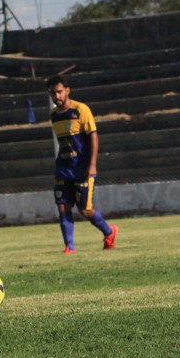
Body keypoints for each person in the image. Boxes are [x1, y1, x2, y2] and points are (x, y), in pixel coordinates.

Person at [46, 75, 118, 253]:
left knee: (85, 210)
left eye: (59, 92)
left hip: (82, 168)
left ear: (67, 90)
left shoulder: (80, 110)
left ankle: (109, 232)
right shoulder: (53, 115)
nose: (56, 96)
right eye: (53, 93)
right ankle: (69, 247)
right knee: (63, 206)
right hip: (63, 168)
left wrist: (92, 165)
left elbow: (93, 136)